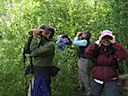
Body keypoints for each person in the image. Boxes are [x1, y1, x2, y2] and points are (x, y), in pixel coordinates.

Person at [85, 30, 128, 96]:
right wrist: (97, 42)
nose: (106, 40)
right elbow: (87, 53)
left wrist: (114, 43)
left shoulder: (114, 48)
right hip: (97, 77)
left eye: (108, 38)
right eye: (104, 38)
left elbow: (123, 55)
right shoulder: (97, 48)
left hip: (111, 78)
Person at [24, 24, 57, 96]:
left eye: (42, 31)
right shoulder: (40, 44)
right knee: (33, 93)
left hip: (42, 75)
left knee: (42, 93)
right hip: (36, 73)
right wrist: (31, 37)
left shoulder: (50, 45)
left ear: (48, 34)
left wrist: (35, 38)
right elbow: (27, 50)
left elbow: (34, 53)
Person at [73, 30, 91, 96]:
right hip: (81, 59)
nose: (81, 34)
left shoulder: (85, 41)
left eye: (83, 34)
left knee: (83, 74)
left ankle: (88, 90)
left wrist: (77, 35)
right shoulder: (84, 41)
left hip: (84, 60)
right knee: (80, 73)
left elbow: (75, 42)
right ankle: (81, 86)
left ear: (86, 35)